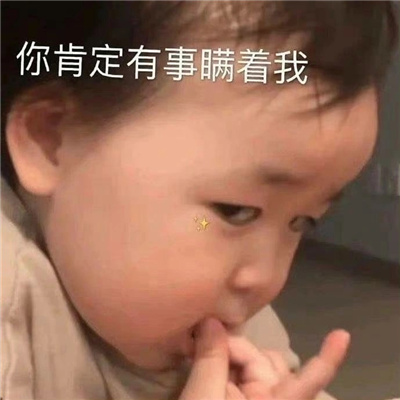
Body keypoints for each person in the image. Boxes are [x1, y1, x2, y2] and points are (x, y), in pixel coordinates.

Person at [1, 2, 398, 399]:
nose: (265, 279)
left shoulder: (222, 319)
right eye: (235, 212)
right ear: (51, 139)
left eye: (302, 221)